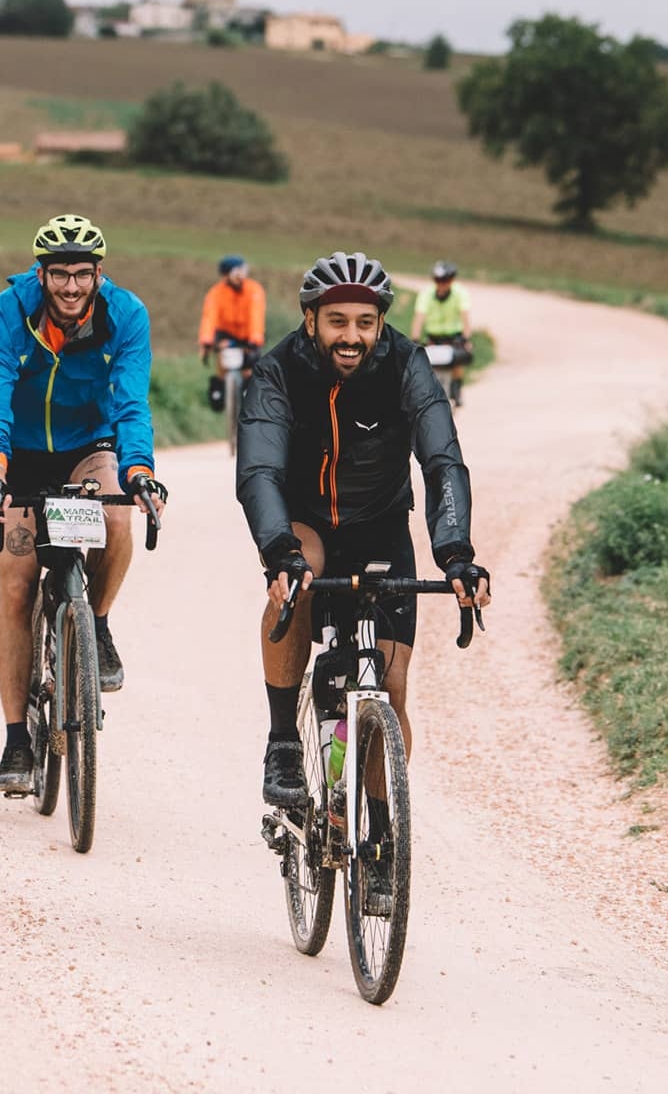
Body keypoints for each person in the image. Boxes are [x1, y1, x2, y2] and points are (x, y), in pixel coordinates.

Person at [236, 251, 490, 913]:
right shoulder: (278, 370)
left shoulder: (408, 365)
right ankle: (284, 742)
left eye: (366, 322)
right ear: (311, 320)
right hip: (306, 523)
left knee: (393, 686)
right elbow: (259, 469)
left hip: (381, 527)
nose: (351, 335)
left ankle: (378, 834)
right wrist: (280, 552)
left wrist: (457, 555)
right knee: (295, 586)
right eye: (337, 321)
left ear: (382, 325)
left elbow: (441, 461)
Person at [0, 214, 169, 795]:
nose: (70, 287)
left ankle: (95, 624)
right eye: (59, 275)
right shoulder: (5, 314)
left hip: (88, 444)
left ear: (99, 274)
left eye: (82, 275)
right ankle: (16, 741)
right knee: (18, 585)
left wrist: (142, 471)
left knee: (116, 515)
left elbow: (130, 402)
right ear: (41, 273)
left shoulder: (125, 314)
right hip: (19, 449)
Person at [197, 255, 267, 412]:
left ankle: (249, 396)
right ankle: (219, 390)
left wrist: (255, 339)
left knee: (249, 369)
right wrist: (206, 341)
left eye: (243, 271)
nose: (241, 276)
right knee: (222, 359)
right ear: (226, 275)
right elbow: (209, 317)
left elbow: (256, 315)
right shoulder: (216, 293)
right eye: (237, 272)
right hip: (226, 333)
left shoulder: (253, 290)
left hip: (248, 335)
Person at [408, 260, 473, 407]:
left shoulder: (460, 293)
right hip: (433, 337)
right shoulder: (426, 294)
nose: (441, 284)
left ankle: (456, 389)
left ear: (452, 280)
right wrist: (415, 339)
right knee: (423, 363)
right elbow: (418, 318)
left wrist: (466, 339)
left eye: (445, 280)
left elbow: (466, 318)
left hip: (455, 336)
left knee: (459, 360)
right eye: (438, 280)